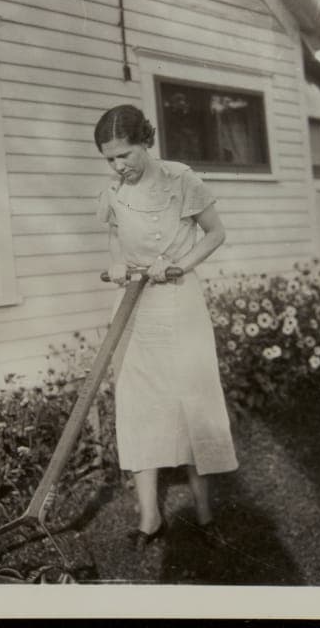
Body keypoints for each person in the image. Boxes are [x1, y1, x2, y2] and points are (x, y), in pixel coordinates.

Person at [94, 104, 238, 551]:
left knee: (189, 400)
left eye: (125, 155)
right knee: (140, 404)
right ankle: (149, 517)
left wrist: (179, 265)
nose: (119, 166)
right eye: (110, 159)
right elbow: (116, 240)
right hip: (135, 306)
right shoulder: (115, 192)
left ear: (145, 142)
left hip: (179, 302)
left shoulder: (182, 180)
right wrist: (118, 265)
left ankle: (204, 513)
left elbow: (215, 233)